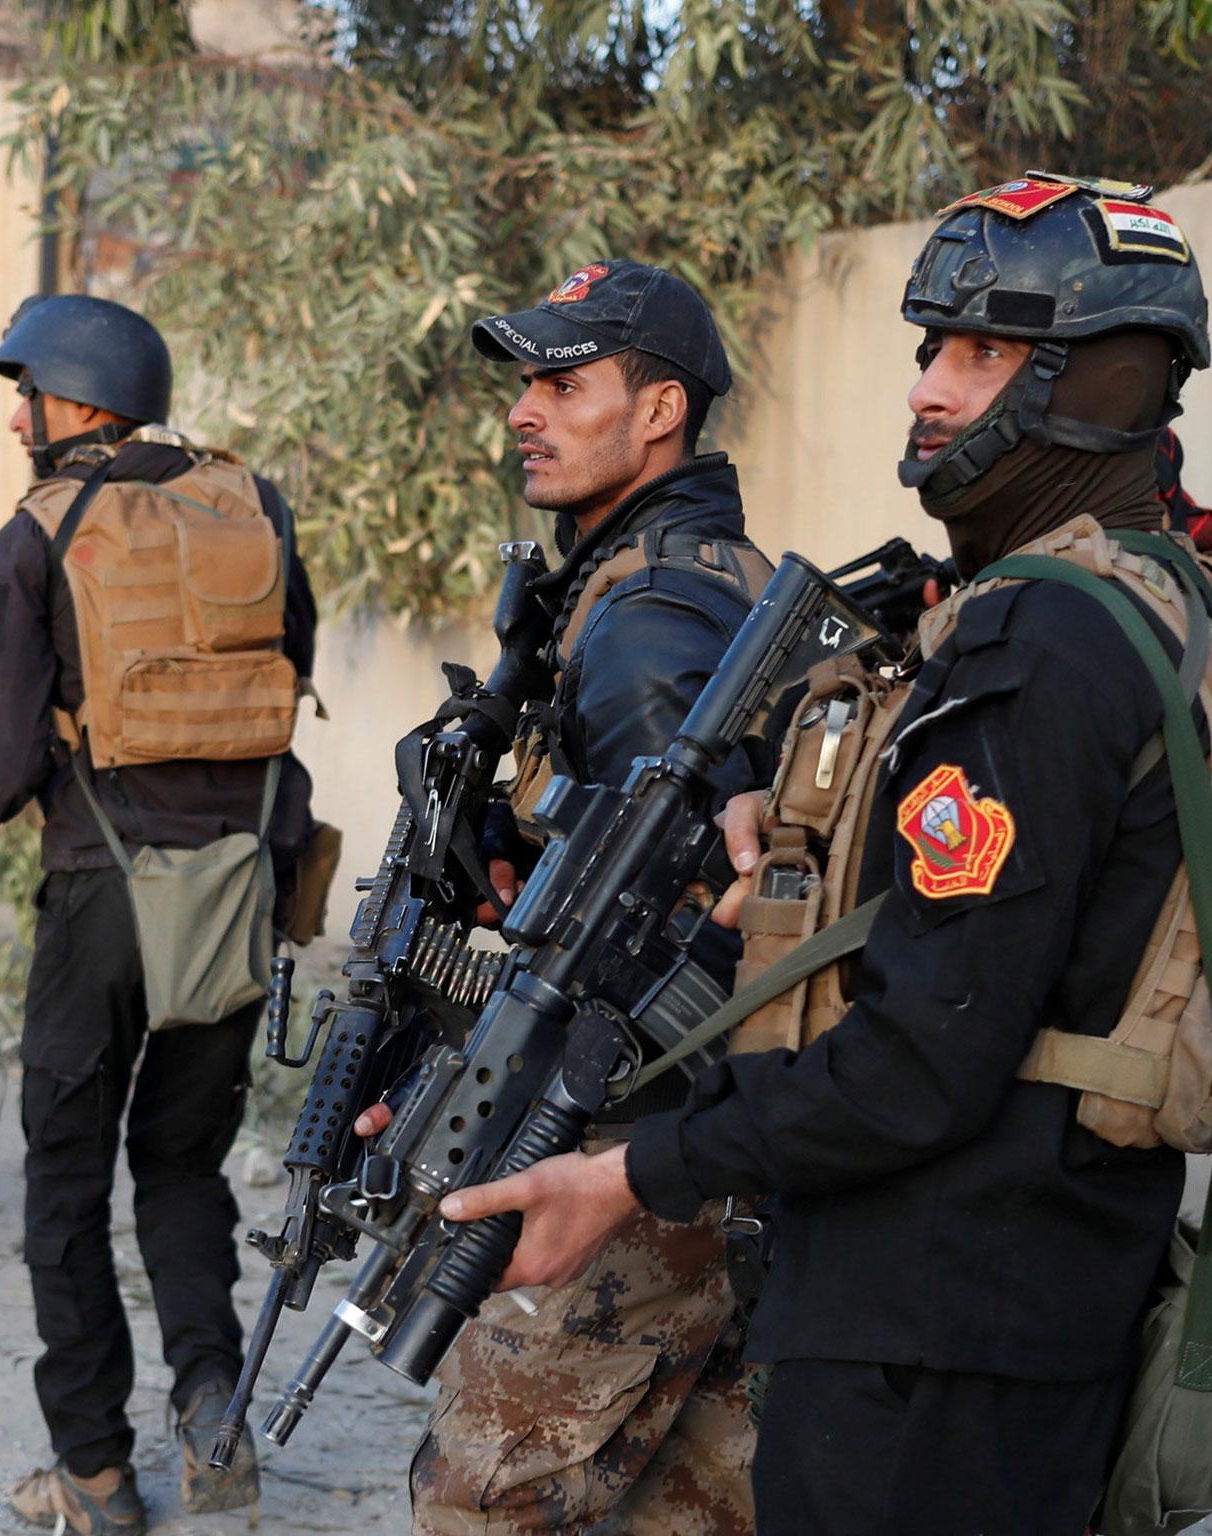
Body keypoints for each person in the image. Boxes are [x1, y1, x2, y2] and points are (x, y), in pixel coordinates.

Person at [442, 175, 1206, 1536]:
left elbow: (925, 1054)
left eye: (979, 352)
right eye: (931, 348)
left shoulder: (1043, 645)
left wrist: (632, 1168)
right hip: (1017, 1290)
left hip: (943, 1329)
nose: (928, 386)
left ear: (1101, 376)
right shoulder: (1146, 594)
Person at [0, 293, 319, 1534]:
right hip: (234, 893)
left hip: (99, 899)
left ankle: (94, 1477)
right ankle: (209, 1395)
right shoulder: (253, 506)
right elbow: (293, 675)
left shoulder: (38, 530)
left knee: (64, 1187)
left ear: (75, 402)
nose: (18, 415)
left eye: (28, 393)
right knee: (182, 1167)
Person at [399, 261, 774, 1536]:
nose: (523, 410)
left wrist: (542, 1124)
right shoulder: (669, 575)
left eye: (562, 384)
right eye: (523, 384)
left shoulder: (651, 616)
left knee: (481, 1500)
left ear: (659, 407)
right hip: (690, 1153)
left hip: (627, 1151)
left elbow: (688, 916)